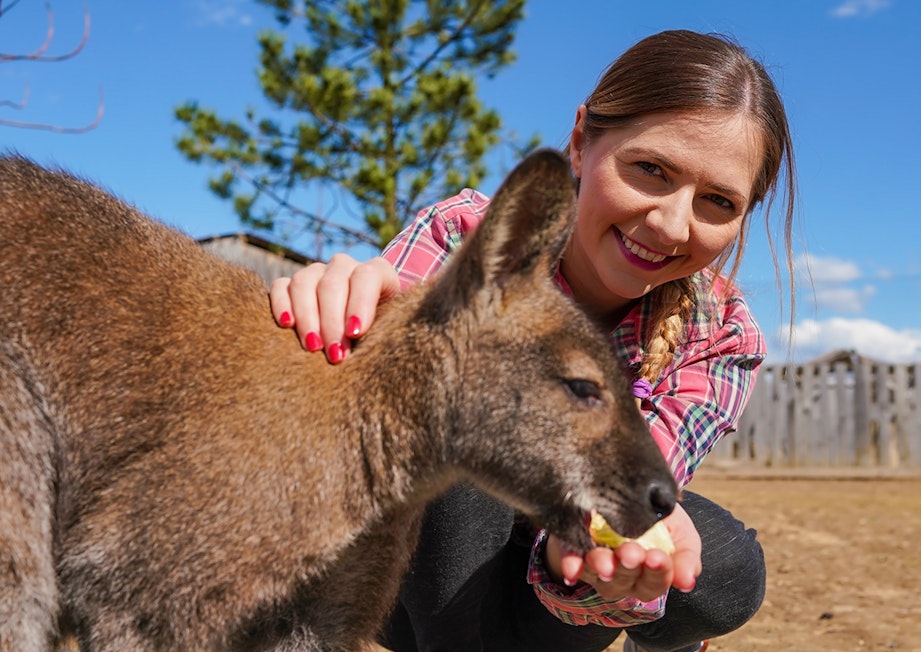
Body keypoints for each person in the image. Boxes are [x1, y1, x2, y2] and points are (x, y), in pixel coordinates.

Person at [269, 29, 796, 652]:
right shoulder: (475, 238)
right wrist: (342, 310)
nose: (671, 223)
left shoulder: (722, 330)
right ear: (580, 141)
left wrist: (622, 544)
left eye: (717, 201)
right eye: (651, 169)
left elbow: (619, 486)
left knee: (724, 570)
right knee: (466, 401)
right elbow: (377, 407)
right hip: (413, 577)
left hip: (556, 596)